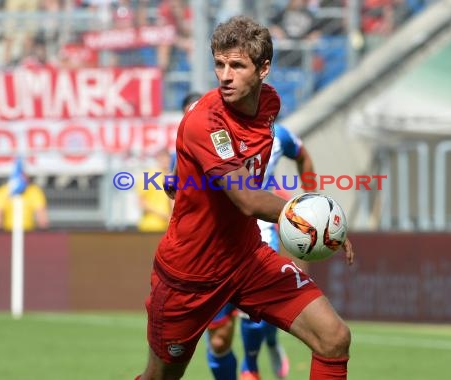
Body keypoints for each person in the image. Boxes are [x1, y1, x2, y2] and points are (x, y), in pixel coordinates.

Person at [135, 16, 354, 380]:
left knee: (334, 337)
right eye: (219, 64)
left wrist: (183, 178)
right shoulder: (205, 122)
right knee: (161, 377)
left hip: (247, 260)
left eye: (236, 65)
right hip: (190, 275)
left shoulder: (269, 104)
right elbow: (248, 200)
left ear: (264, 68)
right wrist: (318, 219)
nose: (225, 75)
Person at [205, 122, 315, 380]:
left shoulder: (280, 136)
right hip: (215, 243)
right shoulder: (210, 135)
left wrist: (312, 202)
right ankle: (270, 341)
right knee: (220, 340)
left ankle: (251, 366)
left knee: (255, 312)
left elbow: (303, 156)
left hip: (261, 233)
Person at [0, 161, 49, 232]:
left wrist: (41, 232)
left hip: (29, 232)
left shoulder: (34, 191)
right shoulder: (3, 191)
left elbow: (42, 216)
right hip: (7, 232)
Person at [136, 150, 173, 233]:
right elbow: (141, 202)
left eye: (167, 158)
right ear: (158, 159)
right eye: (163, 158)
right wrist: (163, 215)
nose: (165, 161)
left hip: (167, 227)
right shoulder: (148, 176)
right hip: (150, 225)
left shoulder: (170, 177)